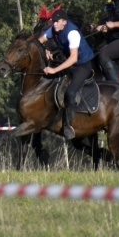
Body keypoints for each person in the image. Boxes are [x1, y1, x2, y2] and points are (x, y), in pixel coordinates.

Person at [38, 9, 95, 140]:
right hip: (69, 62)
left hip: (82, 65)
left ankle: (69, 125)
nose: (54, 24)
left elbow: (73, 58)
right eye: (53, 22)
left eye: (57, 22)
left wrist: (54, 70)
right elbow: (40, 40)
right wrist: (45, 48)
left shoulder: (72, 33)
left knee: (70, 92)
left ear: (64, 22)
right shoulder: (53, 29)